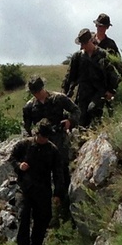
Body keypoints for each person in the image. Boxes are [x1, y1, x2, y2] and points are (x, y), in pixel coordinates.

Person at [9, 119, 64, 245]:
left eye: (46, 137)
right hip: (24, 189)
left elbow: (58, 172)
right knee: (23, 217)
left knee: (42, 219)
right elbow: (12, 158)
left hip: (43, 190)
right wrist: (19, 166)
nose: (43, 139)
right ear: (37, 134)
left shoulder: (52, 150)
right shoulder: (24, 145)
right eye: (42, 136)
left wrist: (58, 193)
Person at [23, 75, 79, 207]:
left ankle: (65, 202)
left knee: (62, 170)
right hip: (42, 144)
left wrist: (70, 121)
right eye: (34, 93)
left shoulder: (58, 98)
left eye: (38, 91)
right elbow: (25, 127)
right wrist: (31, 140)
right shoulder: (30, 107)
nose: (37, 95)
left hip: (60, 140)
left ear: (43, 87)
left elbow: (76, 110)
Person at [61, 27, 118, 129]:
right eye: (81, 44)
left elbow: (112, 74)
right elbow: (69, 77)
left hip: (99, 91)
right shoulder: (77, 57)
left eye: (84, 43)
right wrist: (64, 94)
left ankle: (96, 134)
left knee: (93, 110)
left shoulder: (103, 55)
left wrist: (111, 90)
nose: (83, 46)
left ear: (91, 41)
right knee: (81, 120)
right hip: (83, 93)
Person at [93, 13, 122, 94]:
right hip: (86, 85)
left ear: (107, 27)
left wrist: (111, 89)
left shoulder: (111, 44)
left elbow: (118, 66)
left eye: (102, 26)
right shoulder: (89, 41)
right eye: (98, 26)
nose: (100, 28)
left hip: (103, 85)